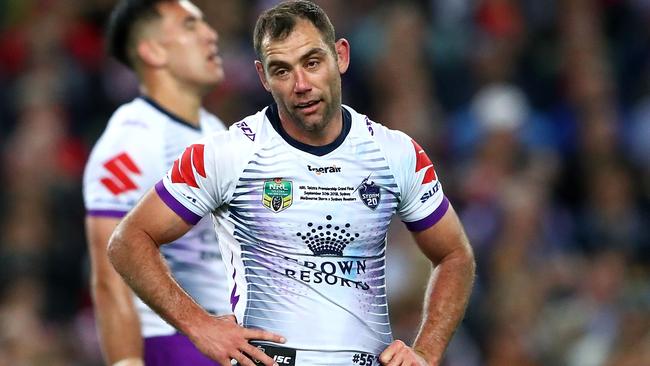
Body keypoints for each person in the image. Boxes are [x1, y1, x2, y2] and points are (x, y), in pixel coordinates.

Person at [108, 1, 476, 365]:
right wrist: (199, 325)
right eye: (281, 70)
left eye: (312, 63)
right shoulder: (228, 154)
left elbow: (455, 254)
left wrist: (426, 352)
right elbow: (128, 241)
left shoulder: (397, 153)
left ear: (341, 56)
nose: (300, 84)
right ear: (263, 76)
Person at [82, 1, 230, 365]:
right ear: (153, 50)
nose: (211, 35)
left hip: (227, 336)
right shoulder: (130, 141)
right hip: (174, 343)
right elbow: (108, 271)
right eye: (190, 26)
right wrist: (126, 361)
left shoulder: (215, 131)